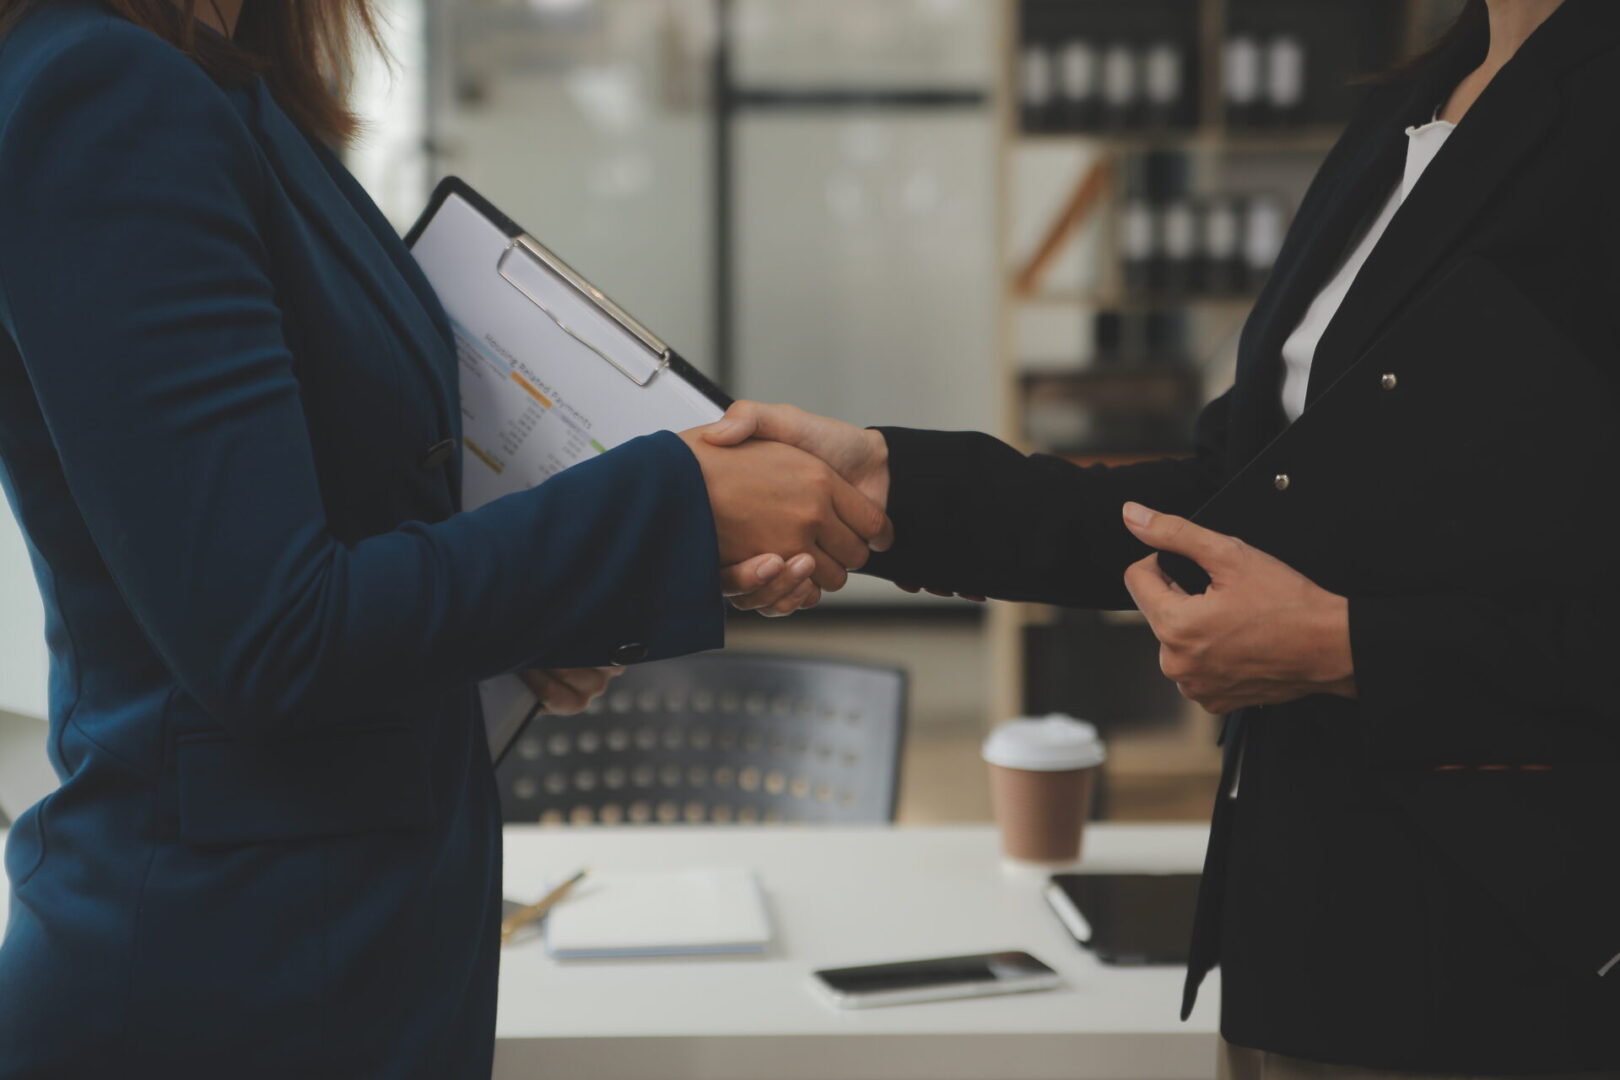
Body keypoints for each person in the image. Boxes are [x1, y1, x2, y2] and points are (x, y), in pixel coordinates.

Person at [718, 0, 1620, 1075]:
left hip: (1506, 960)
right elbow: (1232, 490)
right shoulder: (1416, 101)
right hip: (1307, 909)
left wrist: (1347, 648)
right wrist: (887, 479)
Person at [0, 1, 885, 1076]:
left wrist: (541, 601)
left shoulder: (236, 85)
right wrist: (671, 506)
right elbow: (269, 636)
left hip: (354, 948)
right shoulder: (104, 92)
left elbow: (331, 533)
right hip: (230, 976)